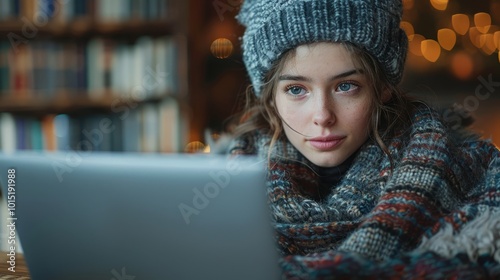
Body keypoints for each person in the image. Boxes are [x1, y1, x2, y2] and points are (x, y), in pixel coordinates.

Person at [223, 0, 500, 278]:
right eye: (296, 89)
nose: (323, 115)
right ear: (271, 99)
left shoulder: (479, 180)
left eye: (346, 86)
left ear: (382, 88)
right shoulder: (221, 186)